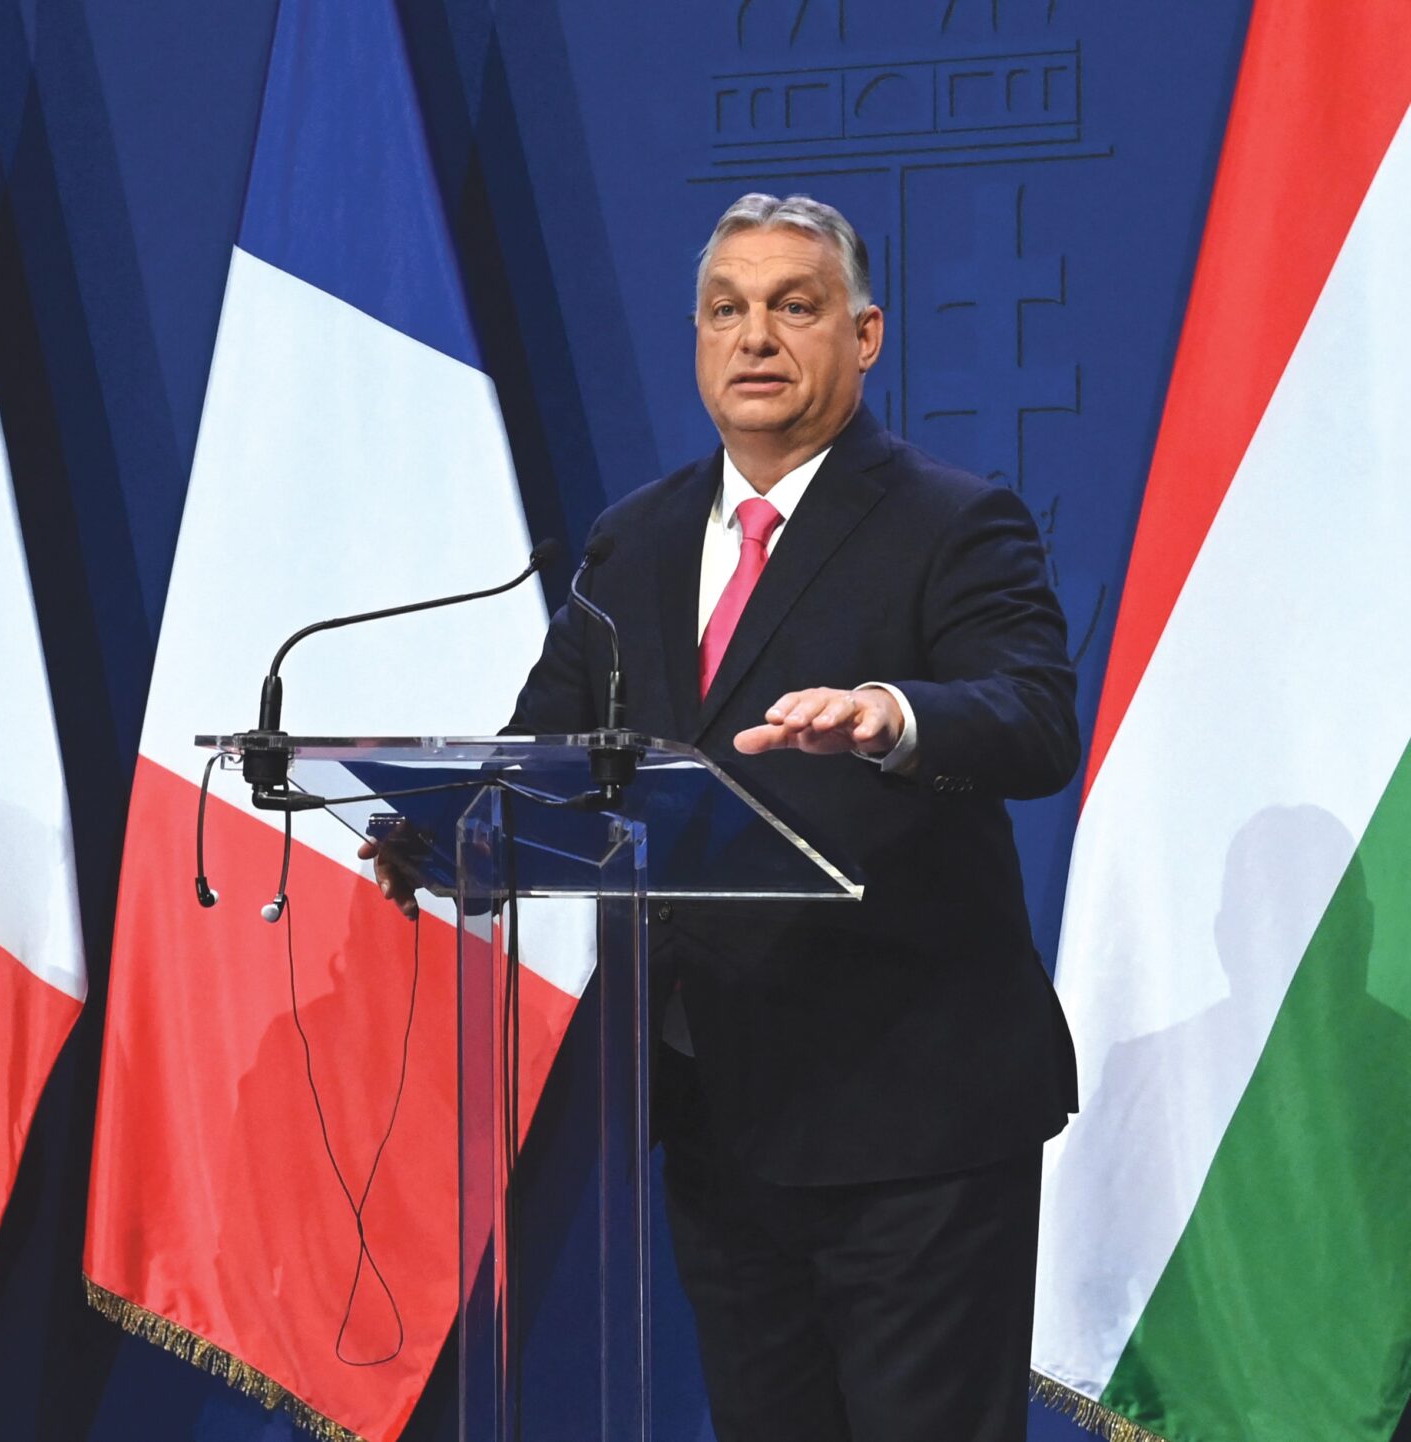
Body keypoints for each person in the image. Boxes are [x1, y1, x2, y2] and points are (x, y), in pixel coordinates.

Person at [369, 194, 1079, 1438]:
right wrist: (450, 835)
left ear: (862, 336)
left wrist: (891, 714)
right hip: (716, 1100)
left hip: (913, 1107)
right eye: (725, 309)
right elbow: (548, 755)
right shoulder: (631, 539)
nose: (754, 335)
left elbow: (1029, 721)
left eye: (792, 307)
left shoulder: (951, 519)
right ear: (697, 338)